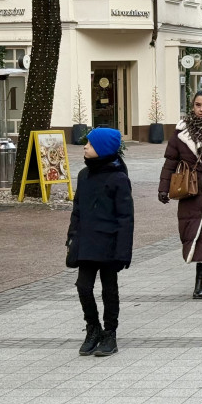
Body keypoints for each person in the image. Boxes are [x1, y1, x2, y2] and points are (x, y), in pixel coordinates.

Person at [68, 127, 133, 357]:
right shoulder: (84, 175)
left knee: (109, 289)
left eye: (90, 144)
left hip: (109, 243)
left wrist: (123, 250)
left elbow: (126, 217)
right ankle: (92, 327)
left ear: (103, 148)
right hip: (86, 241)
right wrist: (72, 235)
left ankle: (110, 333)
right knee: (83, 286)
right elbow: (77, 208)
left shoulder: (118, 178)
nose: (85, 146)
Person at [158, 90, 202, 299]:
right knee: (190, 230)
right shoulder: (180, 132)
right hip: (189, 187)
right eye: (198, 105)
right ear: (192, 106)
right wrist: (163, 187)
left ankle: (200, 281)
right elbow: (170, 161)